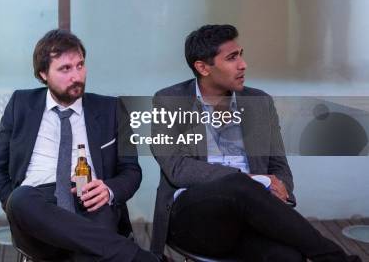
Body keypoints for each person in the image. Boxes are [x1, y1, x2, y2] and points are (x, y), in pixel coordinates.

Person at [150, 24, 360, 261]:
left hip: (249, 217)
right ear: (202, 67)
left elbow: (278, 166)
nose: (243, 64)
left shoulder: (259, 102)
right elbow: (177, 168)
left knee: (288, 258)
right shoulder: (169, 101)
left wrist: (283, 190)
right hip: (194, 219)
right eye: (231, 58)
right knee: (238, 185)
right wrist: (250, 180)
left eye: (241, 54)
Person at [0, 29, 158, 261]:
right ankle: (138, 257)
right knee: (20, 198)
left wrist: (108, 190)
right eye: (65, 69)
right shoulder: (21, 104)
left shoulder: (112, 109)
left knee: (94, 236)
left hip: (89, 200)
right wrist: (13, 207)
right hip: (37, 204)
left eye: (80, 65)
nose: (77, 76)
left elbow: (131, 171)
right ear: (43, 74)